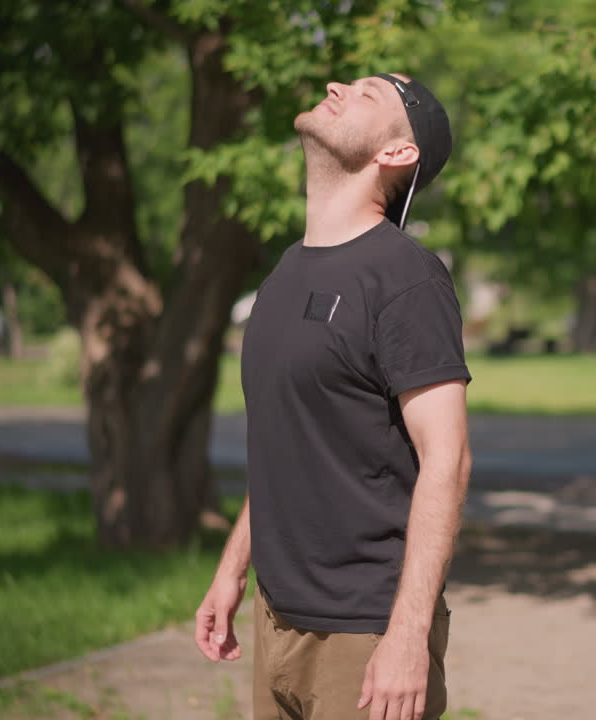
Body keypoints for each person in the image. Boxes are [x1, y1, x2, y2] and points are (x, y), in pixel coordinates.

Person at [194, 72, 473, 720]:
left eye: (368, 93)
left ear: (397, 154)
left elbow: (448, 461)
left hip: (365, 632)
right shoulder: (284, 274)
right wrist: (233, 570)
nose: (337, 85)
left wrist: (407, 636)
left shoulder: (406, 277)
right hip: (278, 618)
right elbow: (290, 444)